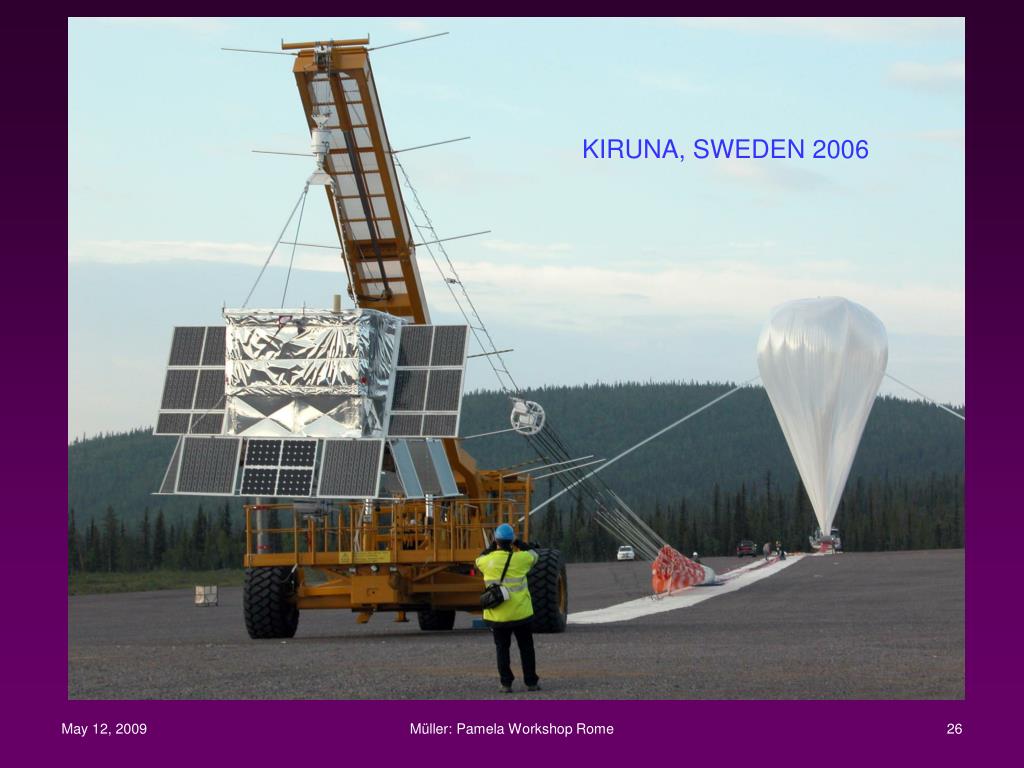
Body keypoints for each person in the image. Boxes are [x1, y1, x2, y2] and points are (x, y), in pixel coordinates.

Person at [476, 523, 541, 693]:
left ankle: (506, 683)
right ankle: (531, 682)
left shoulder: (487, 561)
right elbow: (535, 555)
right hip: (521, 613)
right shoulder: (521, 559)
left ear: (496, 541)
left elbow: (479, 559)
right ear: (511, 541)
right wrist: (519, 543)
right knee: (526, 648)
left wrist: (492, 546)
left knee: (502, 649)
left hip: (498, 615)